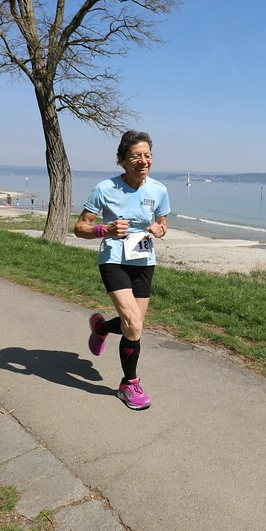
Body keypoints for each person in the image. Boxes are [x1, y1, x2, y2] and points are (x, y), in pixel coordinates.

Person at [74, 130, 170, 410]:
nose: (143, 161)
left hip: (143, 260)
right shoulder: (105, 189)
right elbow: (80, 228)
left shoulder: (159, 190)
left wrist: (159, 229)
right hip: (113, 258)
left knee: (133, 326)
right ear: (122, 160)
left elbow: (163, 224)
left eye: (147, 155)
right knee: (134, 324)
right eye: (136, 156)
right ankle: (129, 384)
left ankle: (101, 326)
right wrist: (105, 229)